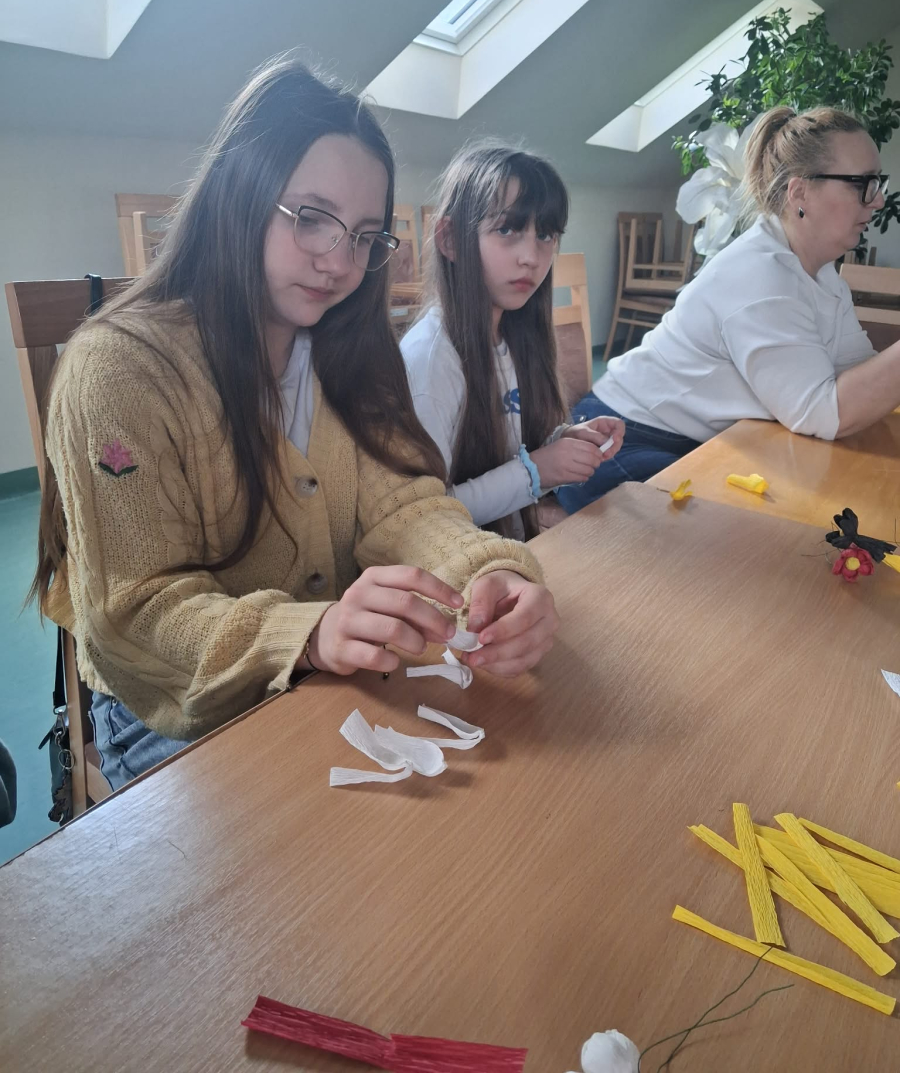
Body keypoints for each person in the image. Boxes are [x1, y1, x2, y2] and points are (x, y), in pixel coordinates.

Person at [31, 58, 558, 790]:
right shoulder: (119, 369)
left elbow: (405, 504)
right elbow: (135, 610)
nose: (338, 262)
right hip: (168, 708)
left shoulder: (349, 349)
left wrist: (487, 570)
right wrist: (307, 631)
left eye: (365, 236)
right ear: (239, 193)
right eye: (311, 217)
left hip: (321, 676)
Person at [556, 105, 893, 514]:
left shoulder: (821, 274)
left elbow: (858, 374)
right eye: (863, 184)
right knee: (752, 530)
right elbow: (823, 413)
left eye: (878, 182)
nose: (877, 201)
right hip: (621, 441)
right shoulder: (762, 276)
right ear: (800, 192)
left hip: (696, 438)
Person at [401, 143, 624, 539]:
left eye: (546, 235)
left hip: (511, 552)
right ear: (450, 239)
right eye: (507, 230)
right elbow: (420, 516)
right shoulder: (430, 359)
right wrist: (537, 471)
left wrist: (562, 442)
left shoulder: (514, 335)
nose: (531, 257)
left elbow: (506, 447)